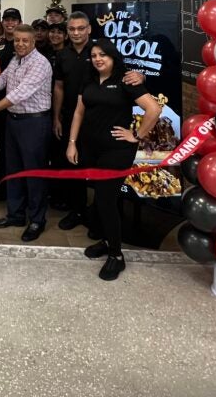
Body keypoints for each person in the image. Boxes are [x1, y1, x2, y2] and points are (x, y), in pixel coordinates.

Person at [67, 38, 162, 280]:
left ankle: (116, 256)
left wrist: (136, 136)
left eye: (104, 55)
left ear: (113, 58)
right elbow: (79, 111)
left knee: (105, 200)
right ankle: (107, 240)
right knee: (101, 199)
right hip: (91, 148)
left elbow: (153, 109)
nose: (98, 59)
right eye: (95, 55)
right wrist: (72, 142)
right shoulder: (88, 79)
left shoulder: (126, 81)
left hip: (116, 151)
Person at [52, 12, 145, 231]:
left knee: (103, 178)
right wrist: (56, 117)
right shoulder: (62, 54)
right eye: (72, 29)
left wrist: (141, 76)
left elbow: (126, 73)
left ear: (89, 29)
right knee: (75, 167)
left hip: (102, 121)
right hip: (73, 118)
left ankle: (99, 218)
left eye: (81, 28)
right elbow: (58, 87)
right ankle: (77, 211)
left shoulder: (99, 50)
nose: (76, 33)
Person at [0, 25, 53, 243]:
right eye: (17, 40)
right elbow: (2, 82)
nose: (20, 44)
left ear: (33, 42)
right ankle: (16, 215)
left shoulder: (40, 64)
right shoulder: (15, 59)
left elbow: (17, 96)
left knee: (34, 174)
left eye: (25, 41)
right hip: (13, 122)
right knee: (13, 171)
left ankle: (37, 220)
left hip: (34, 124)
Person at [0, 7, 21, 193]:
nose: (10, 23)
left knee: (13, 145)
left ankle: (10, 181)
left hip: (20, 104)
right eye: (7, 20)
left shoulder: (23, 43)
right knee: (1, 142)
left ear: (19, 21)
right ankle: (0, 177)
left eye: (13, 20)